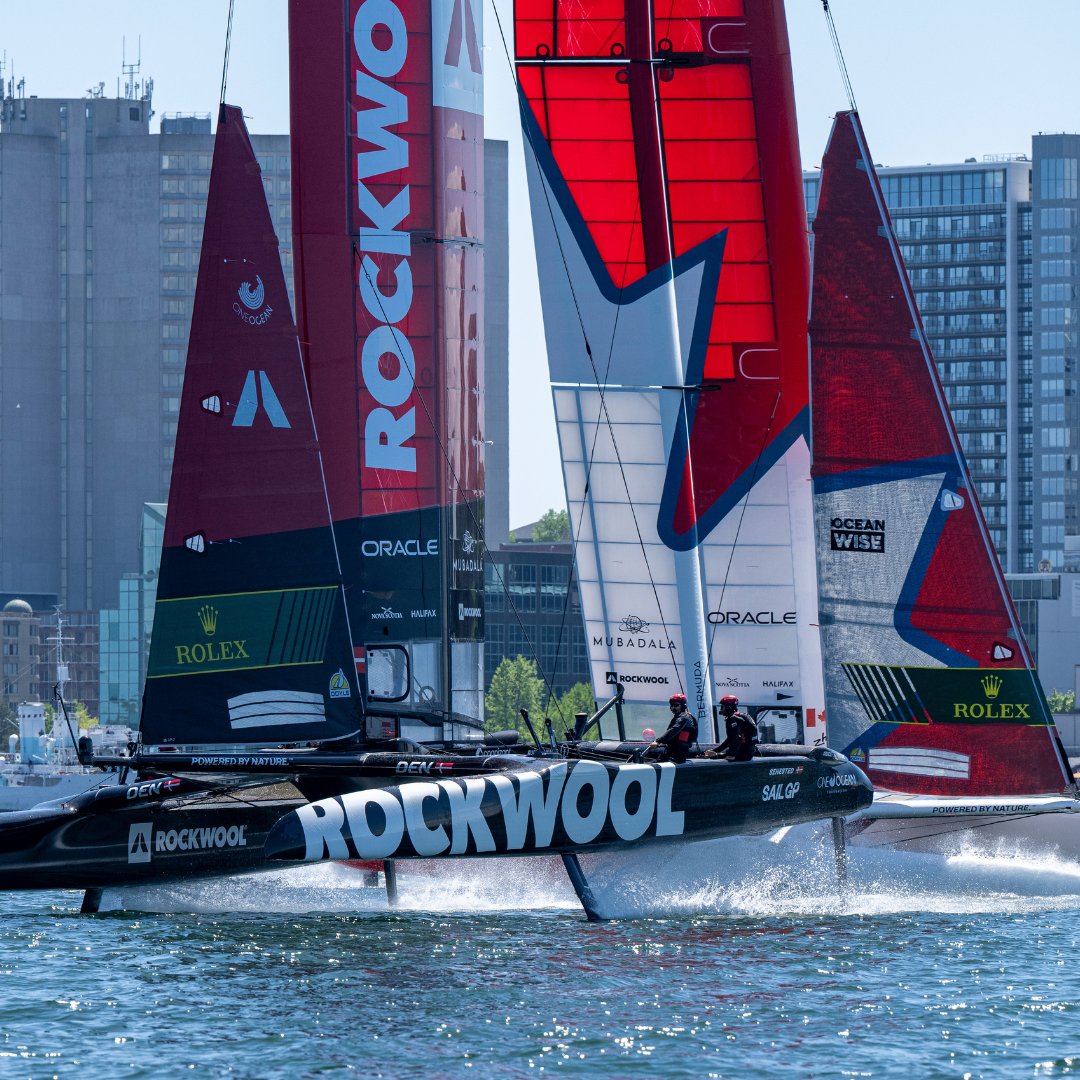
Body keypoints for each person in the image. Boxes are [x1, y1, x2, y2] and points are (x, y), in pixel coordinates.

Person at [648, 693, 698, 764]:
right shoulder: (682, 717)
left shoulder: (684, 718)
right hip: (671, 752)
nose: (673, 708)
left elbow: (674, 730)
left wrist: (658, 741)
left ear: (683, 706)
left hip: (677, 756)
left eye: (676, 705)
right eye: (671, 705)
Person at [706, 694, 757, 761]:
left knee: (718, 757)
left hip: (741, 755)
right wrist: (716, 751)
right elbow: (730, 739)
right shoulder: (743, 716)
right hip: (749, 753)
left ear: (728, 707)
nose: (721, 710)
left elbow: (736, 739)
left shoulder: (732, 719)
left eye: (722, 707)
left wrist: (730, 755)